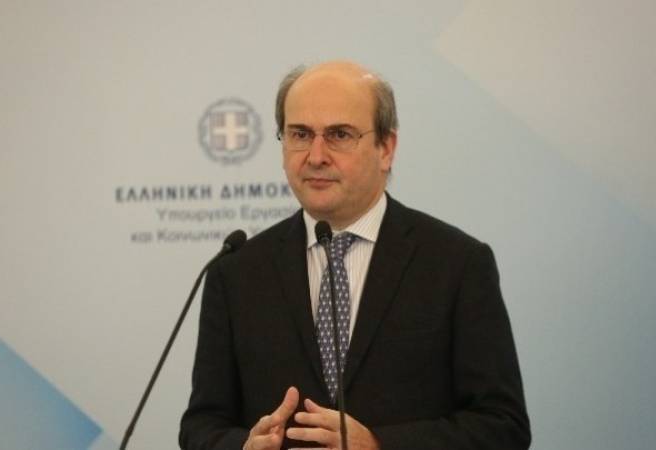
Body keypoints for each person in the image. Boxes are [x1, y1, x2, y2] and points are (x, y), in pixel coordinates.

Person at [179, 60, 531, 450]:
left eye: (339, 135)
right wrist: (244, 446)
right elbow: (201, 427)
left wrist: (380, 445)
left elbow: (503, 427)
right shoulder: (236, 273)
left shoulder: (457, 264)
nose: (315, 156)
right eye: (300, 134)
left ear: (386, 148)